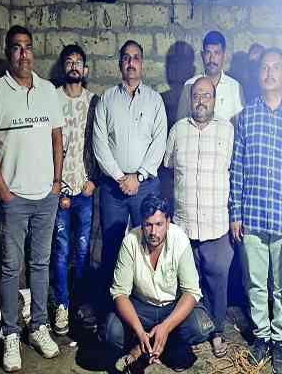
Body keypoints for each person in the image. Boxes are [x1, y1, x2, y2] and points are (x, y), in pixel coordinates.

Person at [0, 25, 63, 372]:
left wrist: (56, 183)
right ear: (8, 53)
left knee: (40, 264)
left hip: (45, 196)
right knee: (11, 267)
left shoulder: (48, 91)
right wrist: (3, 192)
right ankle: (11, 333)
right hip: (13, 199)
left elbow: (57, 138)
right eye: (16, 48)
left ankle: (39, 326)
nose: (23, 54)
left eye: (28, 47)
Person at [229, 47, 282, 374]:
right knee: (256, 282)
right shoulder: (246, 115)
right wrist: (235, 213)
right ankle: (262, 336)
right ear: (258, 74)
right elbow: (237, 166)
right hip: (253, 214)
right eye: (264, 68)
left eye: (275, 67)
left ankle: (280, 340)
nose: (269, 73)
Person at [92, 40, 167, 310]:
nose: (131, 63)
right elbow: (99, 143)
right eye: (126, 58)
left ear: (142, 63)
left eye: (136, 58)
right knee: (112, 245)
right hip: (113, 188)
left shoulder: (154, 100)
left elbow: (159, 142)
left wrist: (139, 176)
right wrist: (120, 177)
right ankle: (111, 309)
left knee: (149, 243)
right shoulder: (107, 99)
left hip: (145, 186)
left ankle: (148, 305)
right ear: (120, 64)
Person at [163, 77, 234, 357]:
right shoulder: (178, 130)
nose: (201, 100)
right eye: (196, 95)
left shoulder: (228, 131)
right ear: (190, 99)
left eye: (207, 95)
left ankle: (216, 332)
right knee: (186, 285)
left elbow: (234, 170)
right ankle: (187, 331)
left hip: (217, 226)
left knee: (217, 284)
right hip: (184, 226)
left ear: (214, 99)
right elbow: (168, 168)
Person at [106, 194, 214, 372]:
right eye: (148, 225)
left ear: (168, 222)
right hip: (142, 307)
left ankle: (165, 343)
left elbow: (191, 292)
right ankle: (143, 343)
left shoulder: (179, 239)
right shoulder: (130, 241)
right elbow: (120, 293)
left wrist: (166, 327)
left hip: (172, 306)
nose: (153, 232)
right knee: (112, 331)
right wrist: (139, 331)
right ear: (142, 223)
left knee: (199, 328)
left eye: (159, 224)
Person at [50, 44, 100, 335]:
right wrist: (54, 185)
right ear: (63, 68)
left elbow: (100, 143)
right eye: (68, 62)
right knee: (60, 249)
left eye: (78, 62)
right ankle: (62, 304)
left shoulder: (94, 101)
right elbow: (45, 144)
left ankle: (80, 303)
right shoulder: (52, 98)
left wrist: (94, 180)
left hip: (85, 189)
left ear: (86, 69)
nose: (74, 66)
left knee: (82, 250)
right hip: (59, 189)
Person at [176, 31, 244, 123]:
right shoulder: (189, 85)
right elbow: (180, 123)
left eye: (216, 53)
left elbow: (241, 125)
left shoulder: (235, 87)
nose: (212, 59)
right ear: (202, 55)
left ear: (224, 56)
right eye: (208, 53)